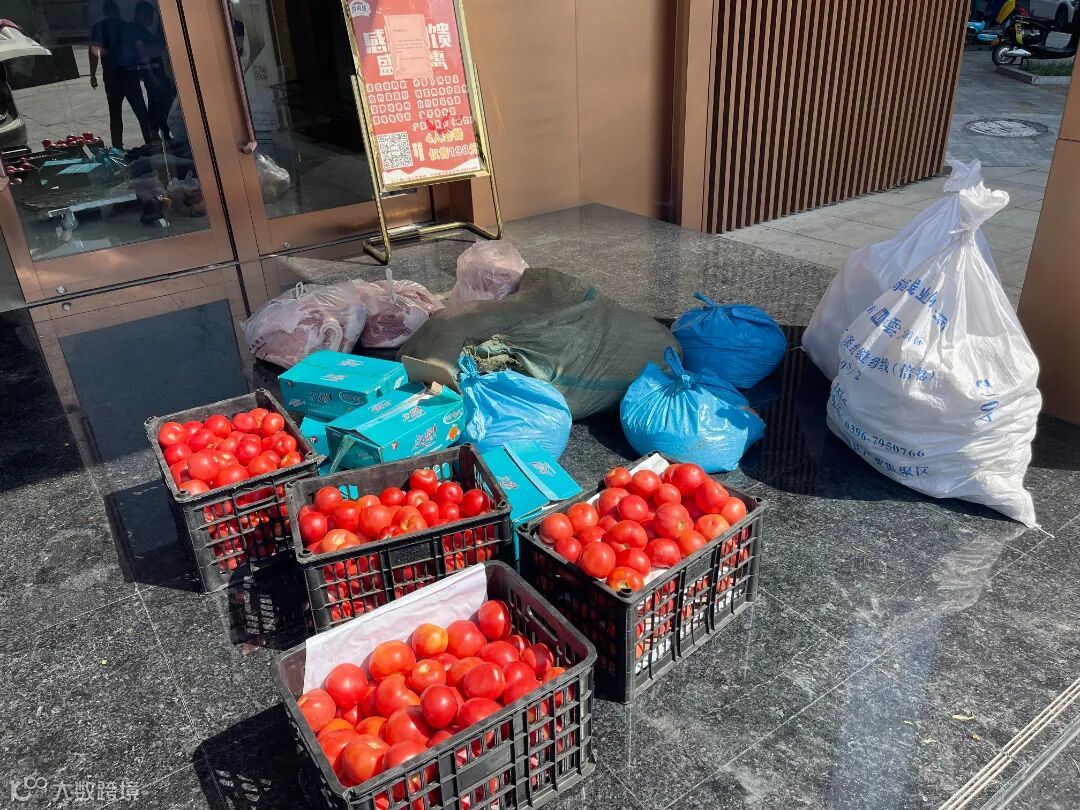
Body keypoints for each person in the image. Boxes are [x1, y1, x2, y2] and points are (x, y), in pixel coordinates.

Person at [89, 0, 152, 148]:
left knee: (115, 114)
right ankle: (150, 140)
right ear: (117, 11)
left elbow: (93, 52)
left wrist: (93, 74)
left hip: (112, 77)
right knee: (140, 110)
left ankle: (117, 146)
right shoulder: (126, 26)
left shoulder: (98, 28)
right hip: (130, 74)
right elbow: (142, 46)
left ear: (105, 12)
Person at [132, 1, 175, 141]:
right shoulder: (139, 32)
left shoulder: (138, 30)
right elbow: (146, 55)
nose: (150, 20)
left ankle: (158, 132)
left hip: (152, 73)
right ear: (141, 15)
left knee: (155, 102)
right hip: (154, 73)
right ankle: (161, 132)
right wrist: (153, 77)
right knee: (160, 103)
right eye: (149, 16)